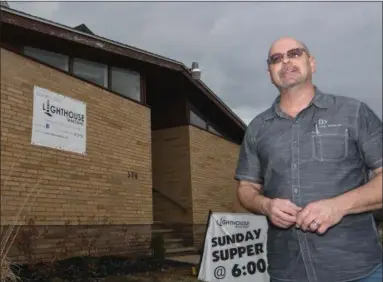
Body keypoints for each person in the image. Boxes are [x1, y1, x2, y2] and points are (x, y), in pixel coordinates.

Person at [234, 37, 382, 282]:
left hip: (358, 270)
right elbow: (246, 188)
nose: (286, 61)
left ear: (311, 63)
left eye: (294, 53)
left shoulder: (354, 112)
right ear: (270, 73)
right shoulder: (257, 128)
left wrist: (338, 206)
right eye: (276, 59)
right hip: (287, 271)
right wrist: (266, 206)